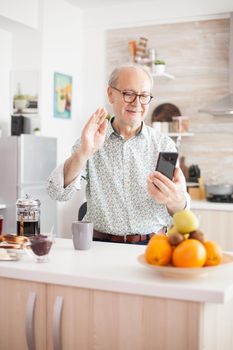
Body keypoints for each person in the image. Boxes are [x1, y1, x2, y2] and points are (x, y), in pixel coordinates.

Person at [47, 63, 190, 244]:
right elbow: (57, 193)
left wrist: (176, 200)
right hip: (100, 247)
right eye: (129, 94)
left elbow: (181, 209)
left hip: (152, 247)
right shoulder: (91, 140)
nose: (137, 103)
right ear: (110, 94)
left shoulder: (163, 144)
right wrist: (83, 153)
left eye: (144, 96)